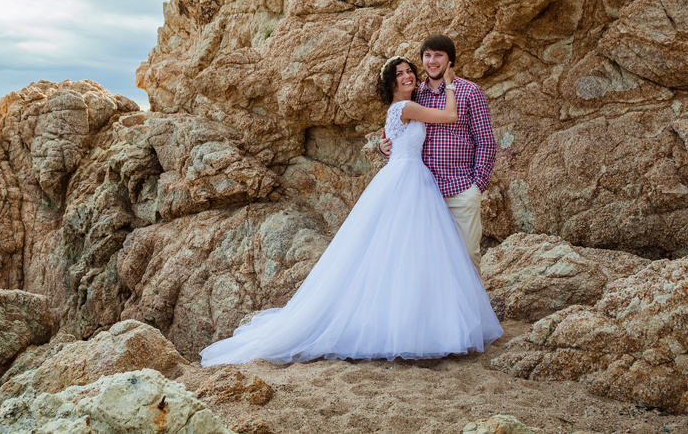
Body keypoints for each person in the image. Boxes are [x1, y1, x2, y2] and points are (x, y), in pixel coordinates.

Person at [199, 56, 502, 366]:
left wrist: (387, 147)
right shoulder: (405, 108)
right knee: (407, 251)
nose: (408, 76)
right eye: (400, 74)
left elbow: (399, 142)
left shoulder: (403, 109)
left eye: (410, 71)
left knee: (404, 253)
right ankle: (409, 326)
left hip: (411, 178)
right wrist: (450, 83)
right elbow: (450, 115)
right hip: (407, 181)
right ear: (391, 83)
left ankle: (412, 320)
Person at [380, 34, 496, 273]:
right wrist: (383, 147)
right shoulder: (415, 92)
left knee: (467, 256)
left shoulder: (470, 92)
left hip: (460, 189)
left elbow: (486, 142)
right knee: (428, 262)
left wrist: (477, 185)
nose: (432, 61)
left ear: (449, 60)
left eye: (438, 55)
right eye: (427, 55)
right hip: (423, 193)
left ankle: (470, 311)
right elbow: (398, 131)